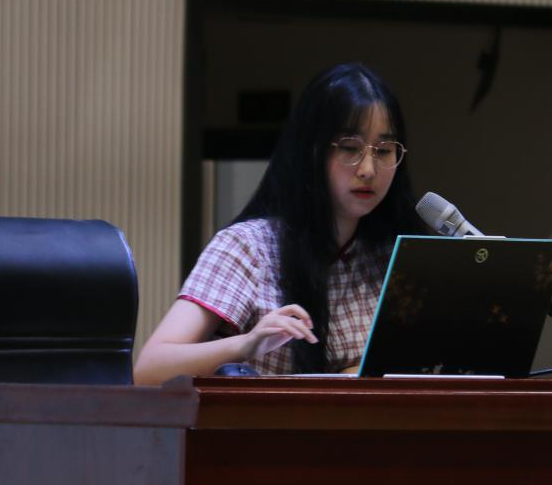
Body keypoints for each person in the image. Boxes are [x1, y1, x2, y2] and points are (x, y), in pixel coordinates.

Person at [133, 62, 427, 385]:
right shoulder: (248, 247)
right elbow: (149, 369)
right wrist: (246, 345)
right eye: (349, 147)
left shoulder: (392, 254)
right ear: (311, 153)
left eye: (384, 151)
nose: (368, 169)